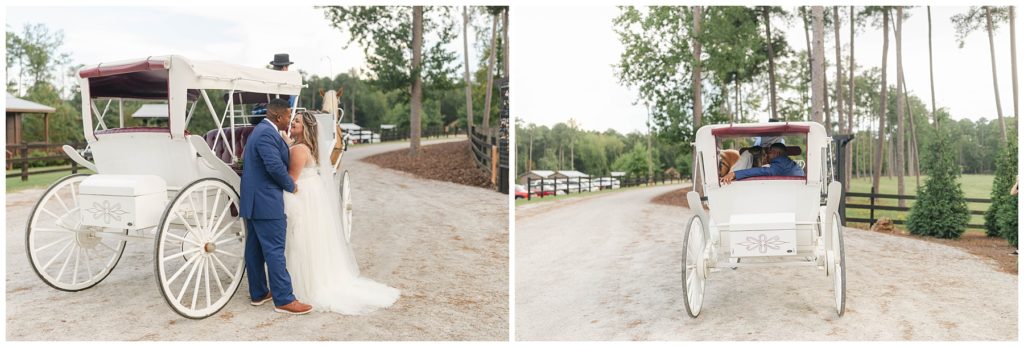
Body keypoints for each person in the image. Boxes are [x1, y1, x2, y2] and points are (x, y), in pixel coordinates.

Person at [283, 111, 400, 314]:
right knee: (311, 239)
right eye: (294, 119)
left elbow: (290, 180)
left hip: (302, 194)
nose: (293, 122)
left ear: (306, 128)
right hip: (313, 193)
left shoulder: (299, 150)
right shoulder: (306, 147)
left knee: (301, 238)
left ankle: (303, 284)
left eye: (297, 121)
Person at [239, 98, 313, 315]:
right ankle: (284, 299)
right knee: (274, 250)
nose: (290, 120)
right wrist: (291, 186)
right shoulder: (265, 134)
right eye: (289, 116)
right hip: (266, 201)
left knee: (254, 249)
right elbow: (273, 166)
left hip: (255, 201)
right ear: (278, 117)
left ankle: (259, 293)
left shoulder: (264, 131)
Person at [721, 142, 804, 184]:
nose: (767, 155)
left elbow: (762, 171)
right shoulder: (793, 165)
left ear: (776, 153)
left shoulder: (779, 164)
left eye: (769, 153)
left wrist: (734, 174)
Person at [251, 53, 297, 124]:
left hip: (256, 118)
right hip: (275, 119)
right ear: (284, 68)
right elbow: (290, 106)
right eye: (287, 67)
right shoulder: (288, 85)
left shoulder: (265, 83)